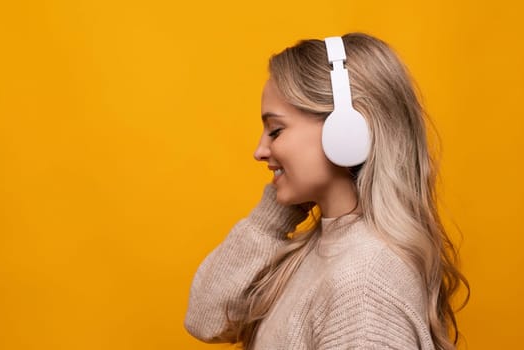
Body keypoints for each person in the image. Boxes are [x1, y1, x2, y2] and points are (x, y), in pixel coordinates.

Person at [184, 32, 469, 350]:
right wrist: (276, 214)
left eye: (276, 130)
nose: (260, 150)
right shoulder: (327, 248)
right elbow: (206, 319)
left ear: (346, 131)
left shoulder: (363, 285)